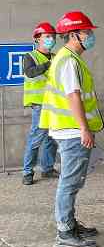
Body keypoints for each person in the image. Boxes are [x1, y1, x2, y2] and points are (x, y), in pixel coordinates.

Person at [39, 11, 104, 247]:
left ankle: (70, 223)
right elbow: (73, 96)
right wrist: (84, 129)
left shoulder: (69, 58)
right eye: (87, 32)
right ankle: (65, 232)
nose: (90, 35)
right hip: (71, 132)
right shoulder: (67, 60)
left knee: (73, 180)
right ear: (74, 35)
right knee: (69, 181)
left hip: (68, 130)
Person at [21, 22, 59, 186]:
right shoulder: (31, 56)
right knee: (36, 138)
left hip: (54, 103)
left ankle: (48, 168)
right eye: (47, 36)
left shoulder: (56, 56)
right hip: (39, 104)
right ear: (37, 39)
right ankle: (27, 172)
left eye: (53, 36)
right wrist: (47, 65)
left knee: (51, 138)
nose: (51, 39)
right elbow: (30, 73)